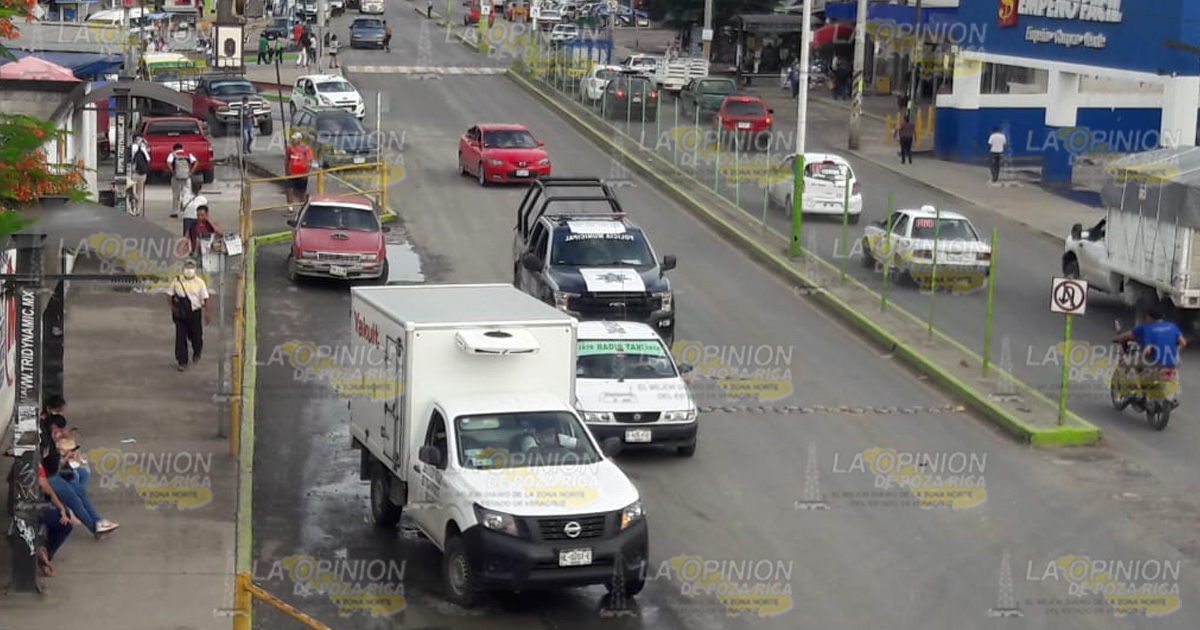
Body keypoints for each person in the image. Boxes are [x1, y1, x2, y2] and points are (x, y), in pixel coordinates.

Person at [1115, 308, 1187, 396]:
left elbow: (1147, 350)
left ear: (1148, 317)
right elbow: (1183, 343)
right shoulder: (1172, 326)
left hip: (1155, 363)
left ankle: (1134, 390)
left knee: (1125, 363)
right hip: (1172, 363)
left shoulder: (1147, 328)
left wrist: (1117, 339)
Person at [168, 259, 211, 371]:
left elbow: (206, 299)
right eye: (187, 267)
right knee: (180, 337)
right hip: (180, 314)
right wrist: (173, 308)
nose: (188, 270)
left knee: (196, 336)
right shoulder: (177, 281)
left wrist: (207, 313)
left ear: (195, 269)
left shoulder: (200, 283)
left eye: (191, 268)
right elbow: (169, 295)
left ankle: (197, 351)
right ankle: (182, 361)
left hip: (194, 313)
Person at [285, 132, 315, 215]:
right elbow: (287, 159)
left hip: (302, 174)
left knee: (301, 193)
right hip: (291, 174)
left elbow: (309, 161)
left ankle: (303, 209)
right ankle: (290, 208)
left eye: (295, 139)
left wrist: (306, 173)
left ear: (299, 140)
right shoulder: (290, 148)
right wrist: (287, 171)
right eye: (293, 139)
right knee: (289, 189)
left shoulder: (306, 149)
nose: (293, 141)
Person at [165, 143, 196, 219]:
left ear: (174, 149)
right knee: (187, 193)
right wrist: (191, 172)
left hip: (176, 178)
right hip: (186, 177)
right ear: (182, 148)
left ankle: (175, 212)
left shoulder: (172, 155)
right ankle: (187, 210)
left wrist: (173, 171)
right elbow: (196, 162)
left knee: (176, 194)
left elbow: (168, 162)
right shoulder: (188, 154)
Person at [126, 135, 150, 217]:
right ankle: (137, 209)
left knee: (129, 192)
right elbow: (148, 159)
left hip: (130, 173)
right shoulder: (142, 149)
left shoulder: (129, 148)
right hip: (141, 173)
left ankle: (130, 209)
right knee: (139, 191)